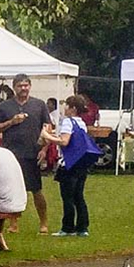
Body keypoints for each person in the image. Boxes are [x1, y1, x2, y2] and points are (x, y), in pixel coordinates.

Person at [0, 73, 49, 234]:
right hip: (11, 155)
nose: (23, 88)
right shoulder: (5, 106)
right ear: (14, 87)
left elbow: (47, 128)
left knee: (36, 189)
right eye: (20, 86)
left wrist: (44, 149)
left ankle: (43, 222)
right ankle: (13, 223)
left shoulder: (39, 105)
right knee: (12, 189)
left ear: (30, 86)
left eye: (26, 85)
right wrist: (11, 122)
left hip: (33, 153)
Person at [41, 95, 99, 237]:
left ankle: (67, 227)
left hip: (69, 163)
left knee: (68, 197)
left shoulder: (68, 122)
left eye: (66, 106)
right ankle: (82, 227)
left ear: (72, 108)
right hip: (81, 163)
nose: (64, 109)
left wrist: (47, 136)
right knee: (79, 196)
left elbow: (64, 141)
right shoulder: (81, 123)